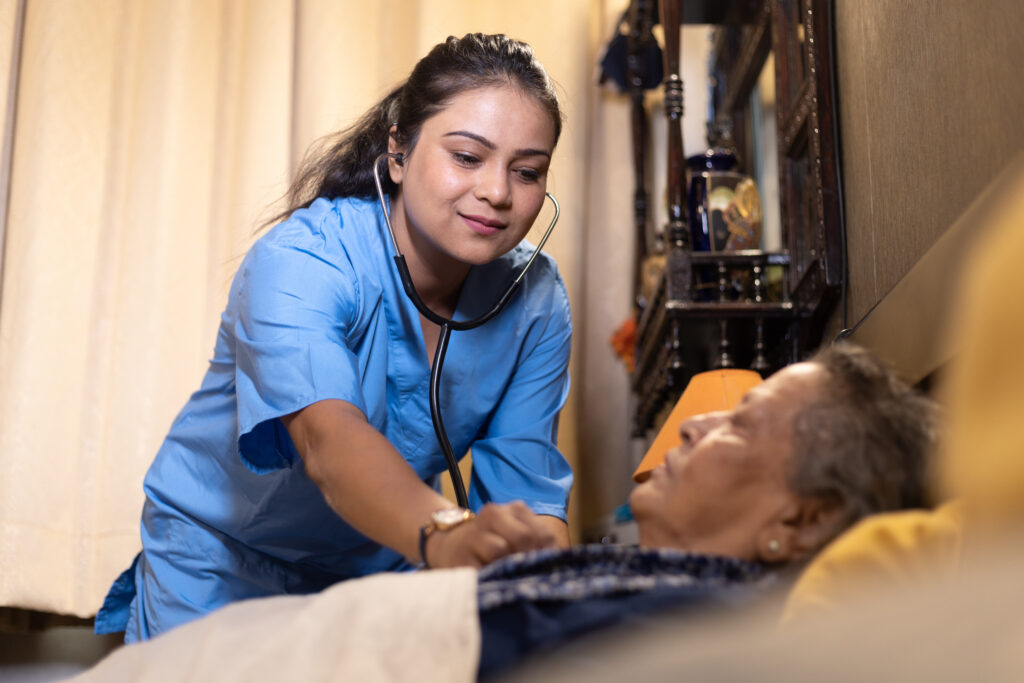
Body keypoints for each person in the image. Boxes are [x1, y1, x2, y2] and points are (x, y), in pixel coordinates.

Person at [95, 33, 574, 643]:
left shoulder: (535, 299)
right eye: (467, 157)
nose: (498, 193)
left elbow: (530, 497)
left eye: (527, 171)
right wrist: (449, 535)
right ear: (398, 149)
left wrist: (561, 606)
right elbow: (328, 441)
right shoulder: (302, 260)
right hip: (221, 561)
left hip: (386, 558)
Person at [79, 343, 938, 681]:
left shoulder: (701, 628)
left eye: (744, 423)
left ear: (804, 519)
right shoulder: (646, 584)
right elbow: (325, 436)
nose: (702, 416)